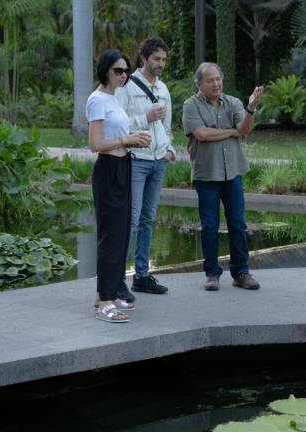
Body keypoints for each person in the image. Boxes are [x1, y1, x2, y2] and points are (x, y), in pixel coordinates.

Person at [182, 62, 264, 291]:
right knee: (209, 226)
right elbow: (201, 134)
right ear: (199, 84)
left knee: (238, 224)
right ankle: (212, 274)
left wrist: (251, 108)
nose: (216, 84)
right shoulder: (191, 105)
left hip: (233, 172)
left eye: (218, 79)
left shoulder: (233, 102)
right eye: (210, 80)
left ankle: (241, 272)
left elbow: (244, 129)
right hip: (206, 174)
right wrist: (231, 132)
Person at [87, 49, 151, 322]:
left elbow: (116, 136)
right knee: (110, 237)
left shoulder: (113, 98)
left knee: (122, 234)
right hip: (109, 170)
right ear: (105, 71)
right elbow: (95, 144)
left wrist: (133, 138)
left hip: (123, 166)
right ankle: (104, 302)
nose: (123, 75)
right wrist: (126, 140)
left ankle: (107, 294)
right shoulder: (97, 99)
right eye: (118, 71)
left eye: (126, 71)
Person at [116, 37, 176, 297]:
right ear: (143, 58)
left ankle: (141, 276)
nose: (161, 64)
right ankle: (117, 279)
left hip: (158, 161)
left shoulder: (163, 88)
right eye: (156, 59)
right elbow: (118, 124)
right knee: (131, 220)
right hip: (136, 160)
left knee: (148, 219)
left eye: (164, 59)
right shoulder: (127, 86)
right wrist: (145, 117)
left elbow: (167, 126)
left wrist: (169, 149)